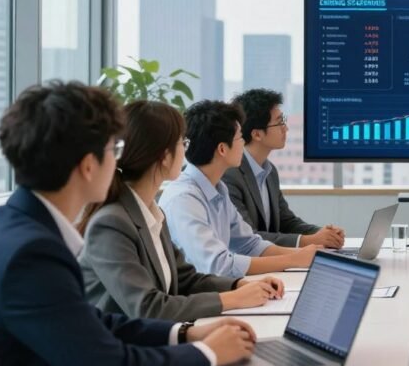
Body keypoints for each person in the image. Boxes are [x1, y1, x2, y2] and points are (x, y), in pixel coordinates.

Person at [0, 82, 256, 366]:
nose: (119, 160)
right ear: (88, 166)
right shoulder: (30, 254)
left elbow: (90, 322)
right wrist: (208, 353)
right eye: (114, 150)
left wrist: (185, 334)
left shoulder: (13, 226)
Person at [77, 100, 287, 322]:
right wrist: (233, 299)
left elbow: (185, 279)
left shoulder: (151, 212)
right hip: (126, 350)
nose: (186, 150)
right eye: (182, 142)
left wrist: (238, 284)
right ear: (164, 157)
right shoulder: (112, 223)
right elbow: (149, 308)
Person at [161, 100, 319, 278]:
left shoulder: (218, 188)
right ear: (222, 149)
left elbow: (249, 244)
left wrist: (304, 255)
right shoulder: (183, 199)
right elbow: (219, 266)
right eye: (240, 138)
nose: (244, 143)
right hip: (199, 298)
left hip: (220, 289)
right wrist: (293, 260)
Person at [224, 88, 344, 248]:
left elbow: (286, 221)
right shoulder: (230, 175)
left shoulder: (269, 171)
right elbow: (247, 237)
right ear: (257, 134)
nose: (285, 128)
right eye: (280, 122)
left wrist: (324, 234)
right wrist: (310, 240)